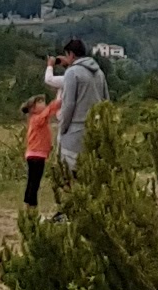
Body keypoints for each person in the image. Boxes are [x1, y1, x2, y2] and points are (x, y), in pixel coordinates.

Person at [47, 37, 107, 193]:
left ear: (71, 54)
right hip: (95, 127)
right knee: (91, 171)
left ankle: (72, 201)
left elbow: (69, 104)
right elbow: (106, 100)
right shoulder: (99, 73)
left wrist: (63, 127)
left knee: (68, 172)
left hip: (75, 129)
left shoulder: (72, 73)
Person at [22, 79, 60, 211]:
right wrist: (58, 101)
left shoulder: (38, 120)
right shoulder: (37, 119)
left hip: (35, 154)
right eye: (39, 102)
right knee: (34, 182)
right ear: (32, 108)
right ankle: (32, 206)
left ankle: (28, 204)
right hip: (37, 155)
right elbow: (49, 111)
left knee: (32, 181)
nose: (43, 103)